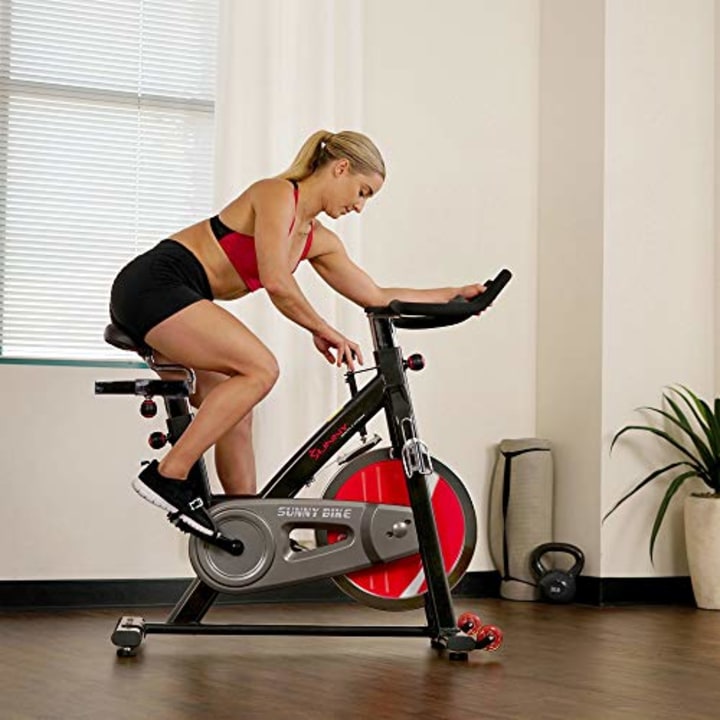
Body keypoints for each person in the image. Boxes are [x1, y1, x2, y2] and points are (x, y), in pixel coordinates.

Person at [109, 129, 486, 537]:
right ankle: (168, 475)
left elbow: (375, 294)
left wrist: (452, 295)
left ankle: (245, 529)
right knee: (261, 368)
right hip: (154, 286)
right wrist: (322, 329)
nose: (359, 206)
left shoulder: (319, 240)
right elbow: (276, 281)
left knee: (237, 407)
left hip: (178, 300)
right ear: (341, 168)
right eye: (362, 192)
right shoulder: (276, 195)